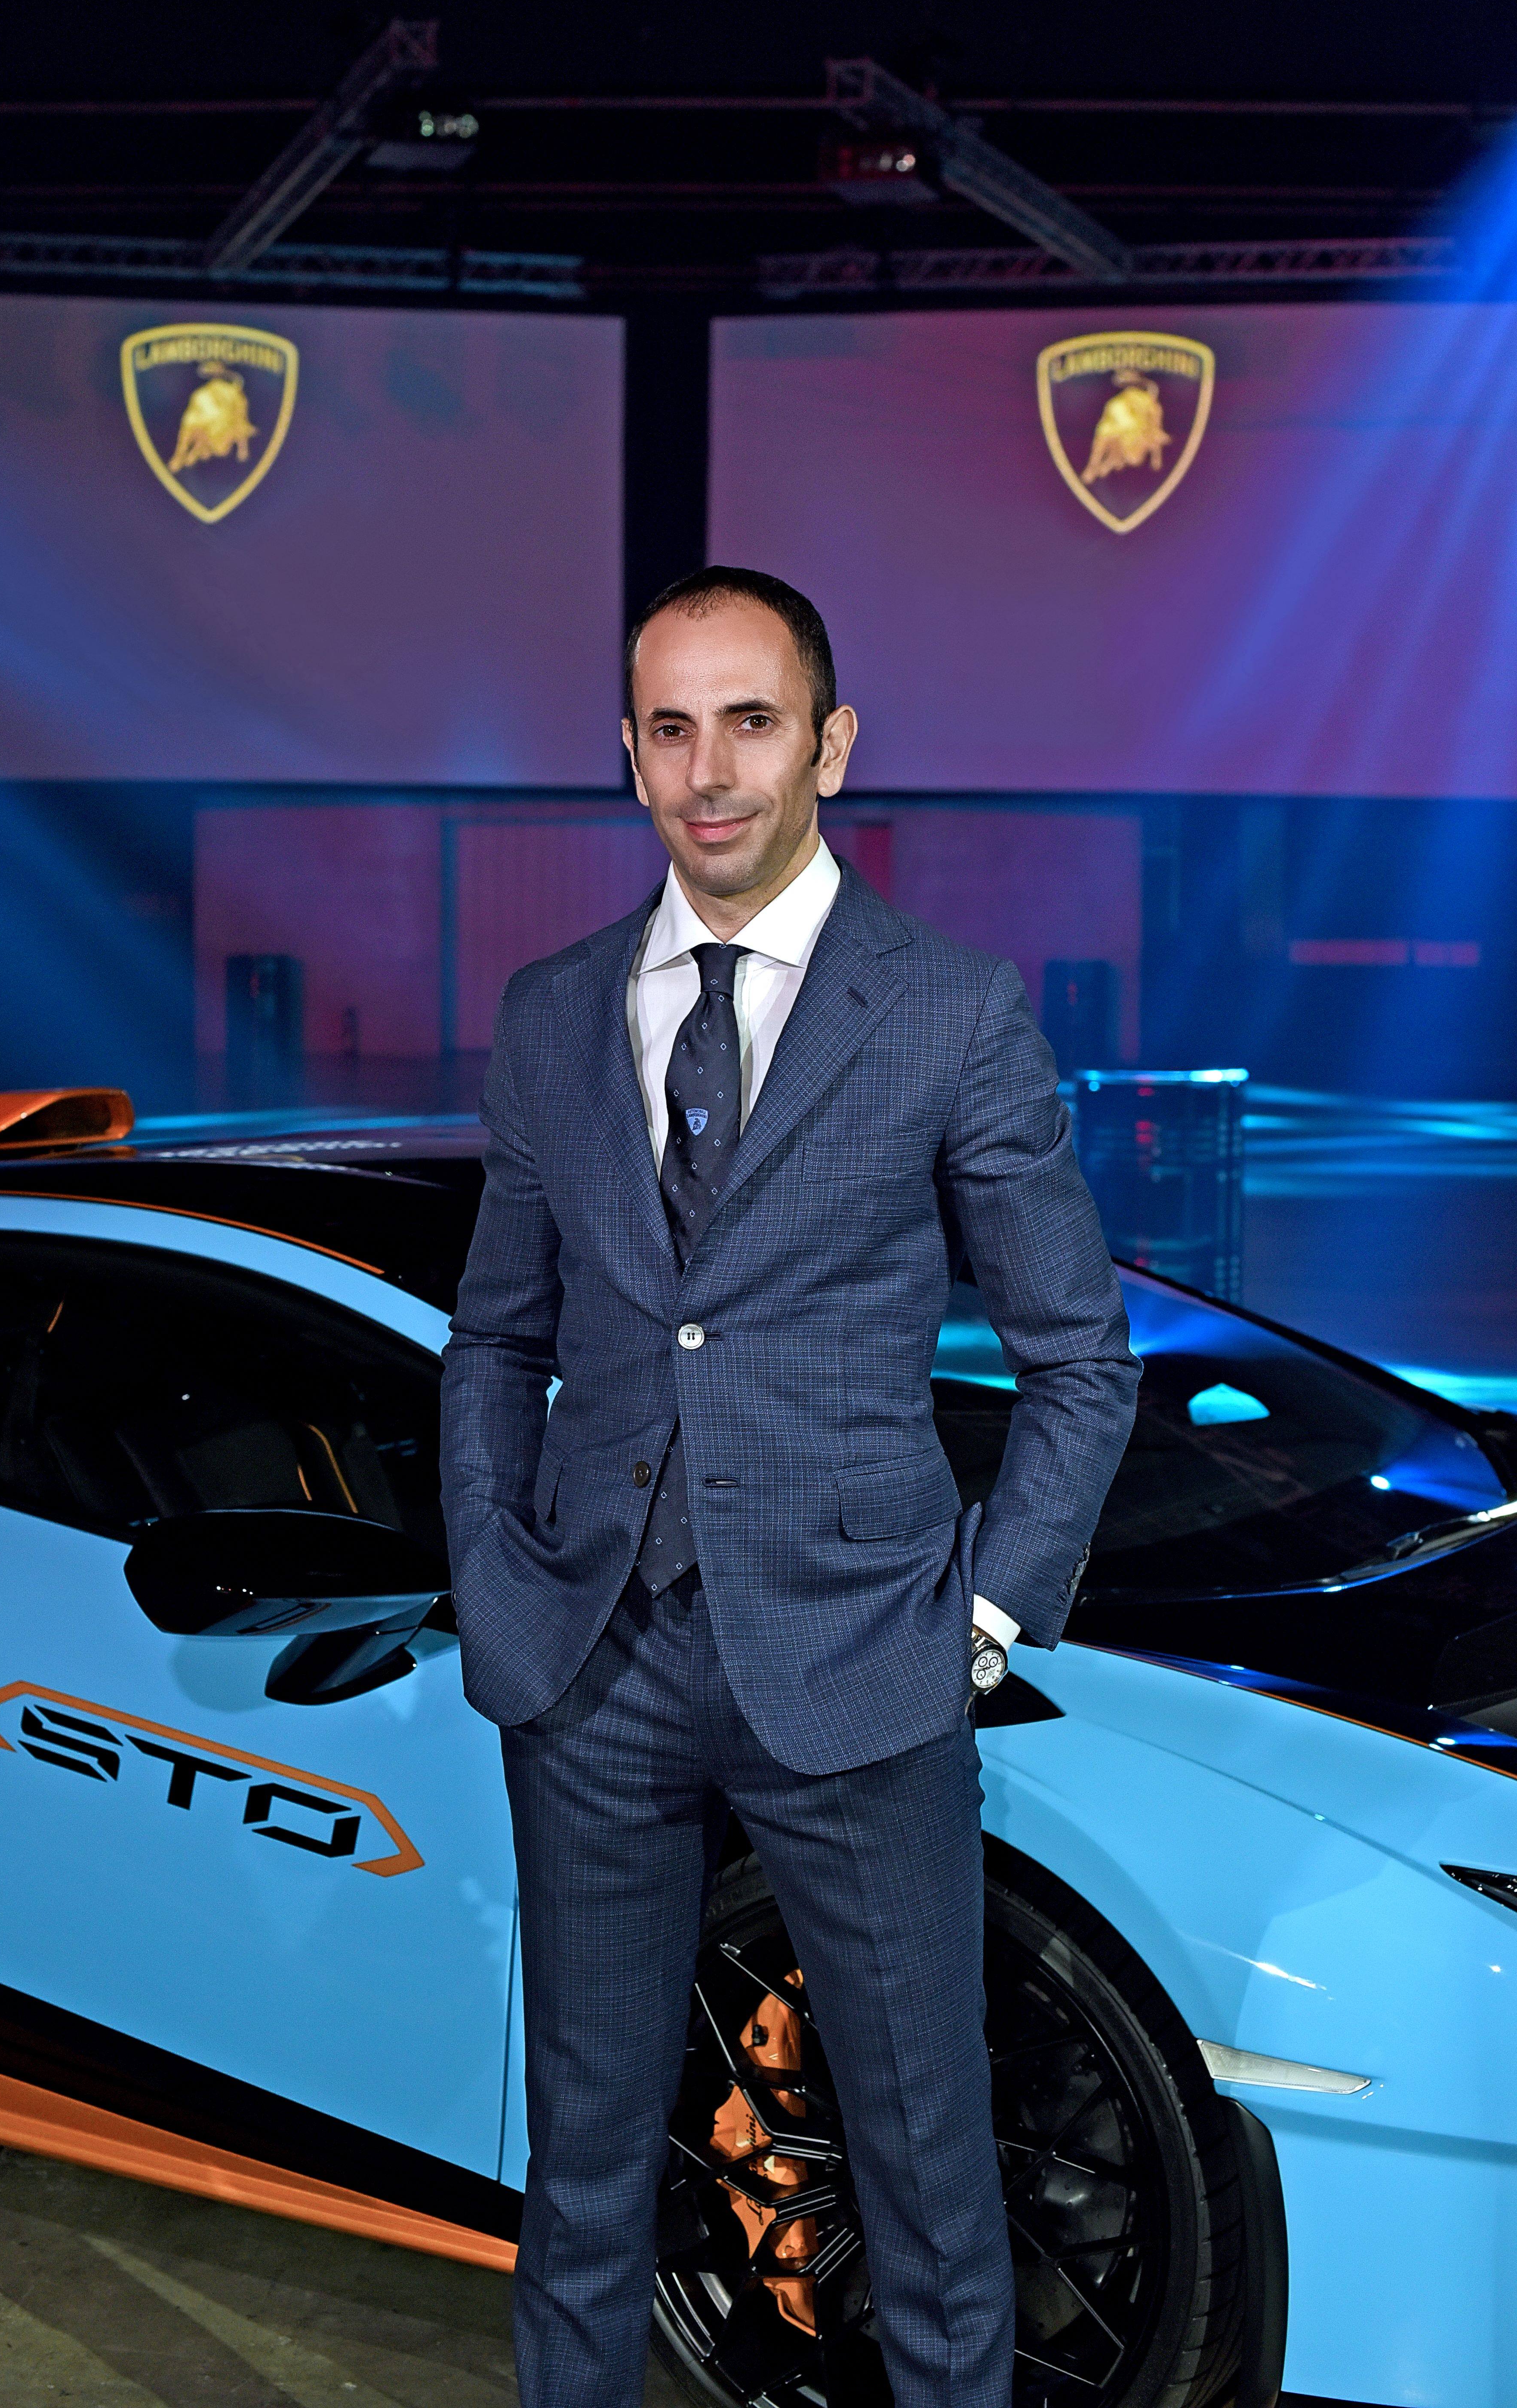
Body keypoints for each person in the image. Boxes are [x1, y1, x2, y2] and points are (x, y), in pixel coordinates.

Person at [439, 566, 1141, 2407]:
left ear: (829, 744)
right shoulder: (551, 1012)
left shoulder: (949, 1012)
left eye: (749, 722)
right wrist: (499, 1580)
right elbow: (494, 1340)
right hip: (592, 1667)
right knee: (584, 2175)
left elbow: (1080, 1355)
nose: (709, 770)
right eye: (669, 729)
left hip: (859, 1668)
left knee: (928, 2186)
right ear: (628, 755)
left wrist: (980, 1624)